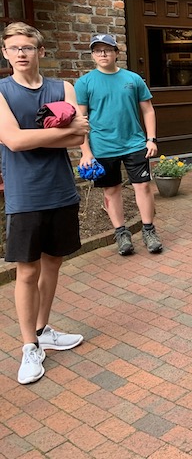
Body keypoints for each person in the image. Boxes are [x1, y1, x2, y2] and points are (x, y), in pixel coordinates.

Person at [0, 22, 90, 384]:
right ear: (6, 54)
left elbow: (79, 136)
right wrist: (58, 133)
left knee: (53, 262)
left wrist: (32, 136)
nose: (21, 53)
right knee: (27, 271)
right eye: (14, 48)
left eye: (27, 47)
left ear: (40, 51)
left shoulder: (62, 87)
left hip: (61, 190)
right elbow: (13, 141)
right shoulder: (2, 91)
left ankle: (43, 330)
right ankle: (29, 346)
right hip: (25, 194)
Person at [75, 34, 163, 255]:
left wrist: (151, 139)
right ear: (92, 55)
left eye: (107, 49)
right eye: (98, 50)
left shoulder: (133, 79)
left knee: (143, 186)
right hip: (103, 146)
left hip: (134, 143)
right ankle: (121, 234)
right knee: (111, 189)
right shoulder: (85, 83)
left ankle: (149, 230)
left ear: (116, 52)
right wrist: (86, 152)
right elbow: (80, 121)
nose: (103, 54)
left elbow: (148, 110)